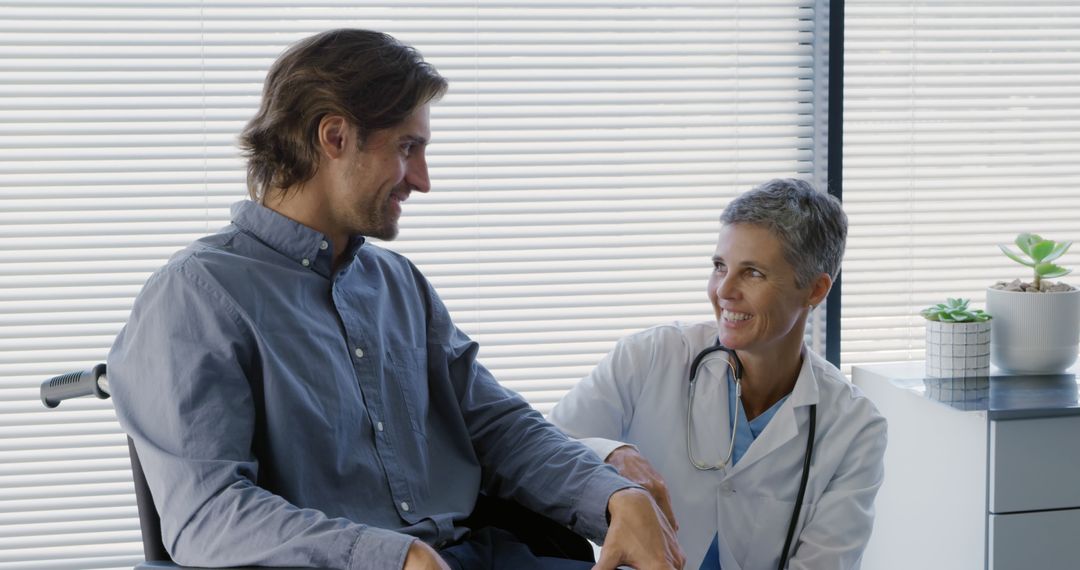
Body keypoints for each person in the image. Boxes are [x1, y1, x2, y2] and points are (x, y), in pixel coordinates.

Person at [107, 29, 684, 570]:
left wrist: (613, 496)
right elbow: (205, 515)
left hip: (472, 550)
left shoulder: (395, 284)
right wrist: (389, 557)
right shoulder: (194, 297)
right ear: (335, 137)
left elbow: (495, 426)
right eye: (407, 147)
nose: (423, 179)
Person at [550, 179, 887, 570]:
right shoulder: (652, 356)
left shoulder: (854, 428)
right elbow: (545, 448)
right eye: (719, 266)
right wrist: (614, 454)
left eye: (753, 273)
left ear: (814, 290)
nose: (723, 290)